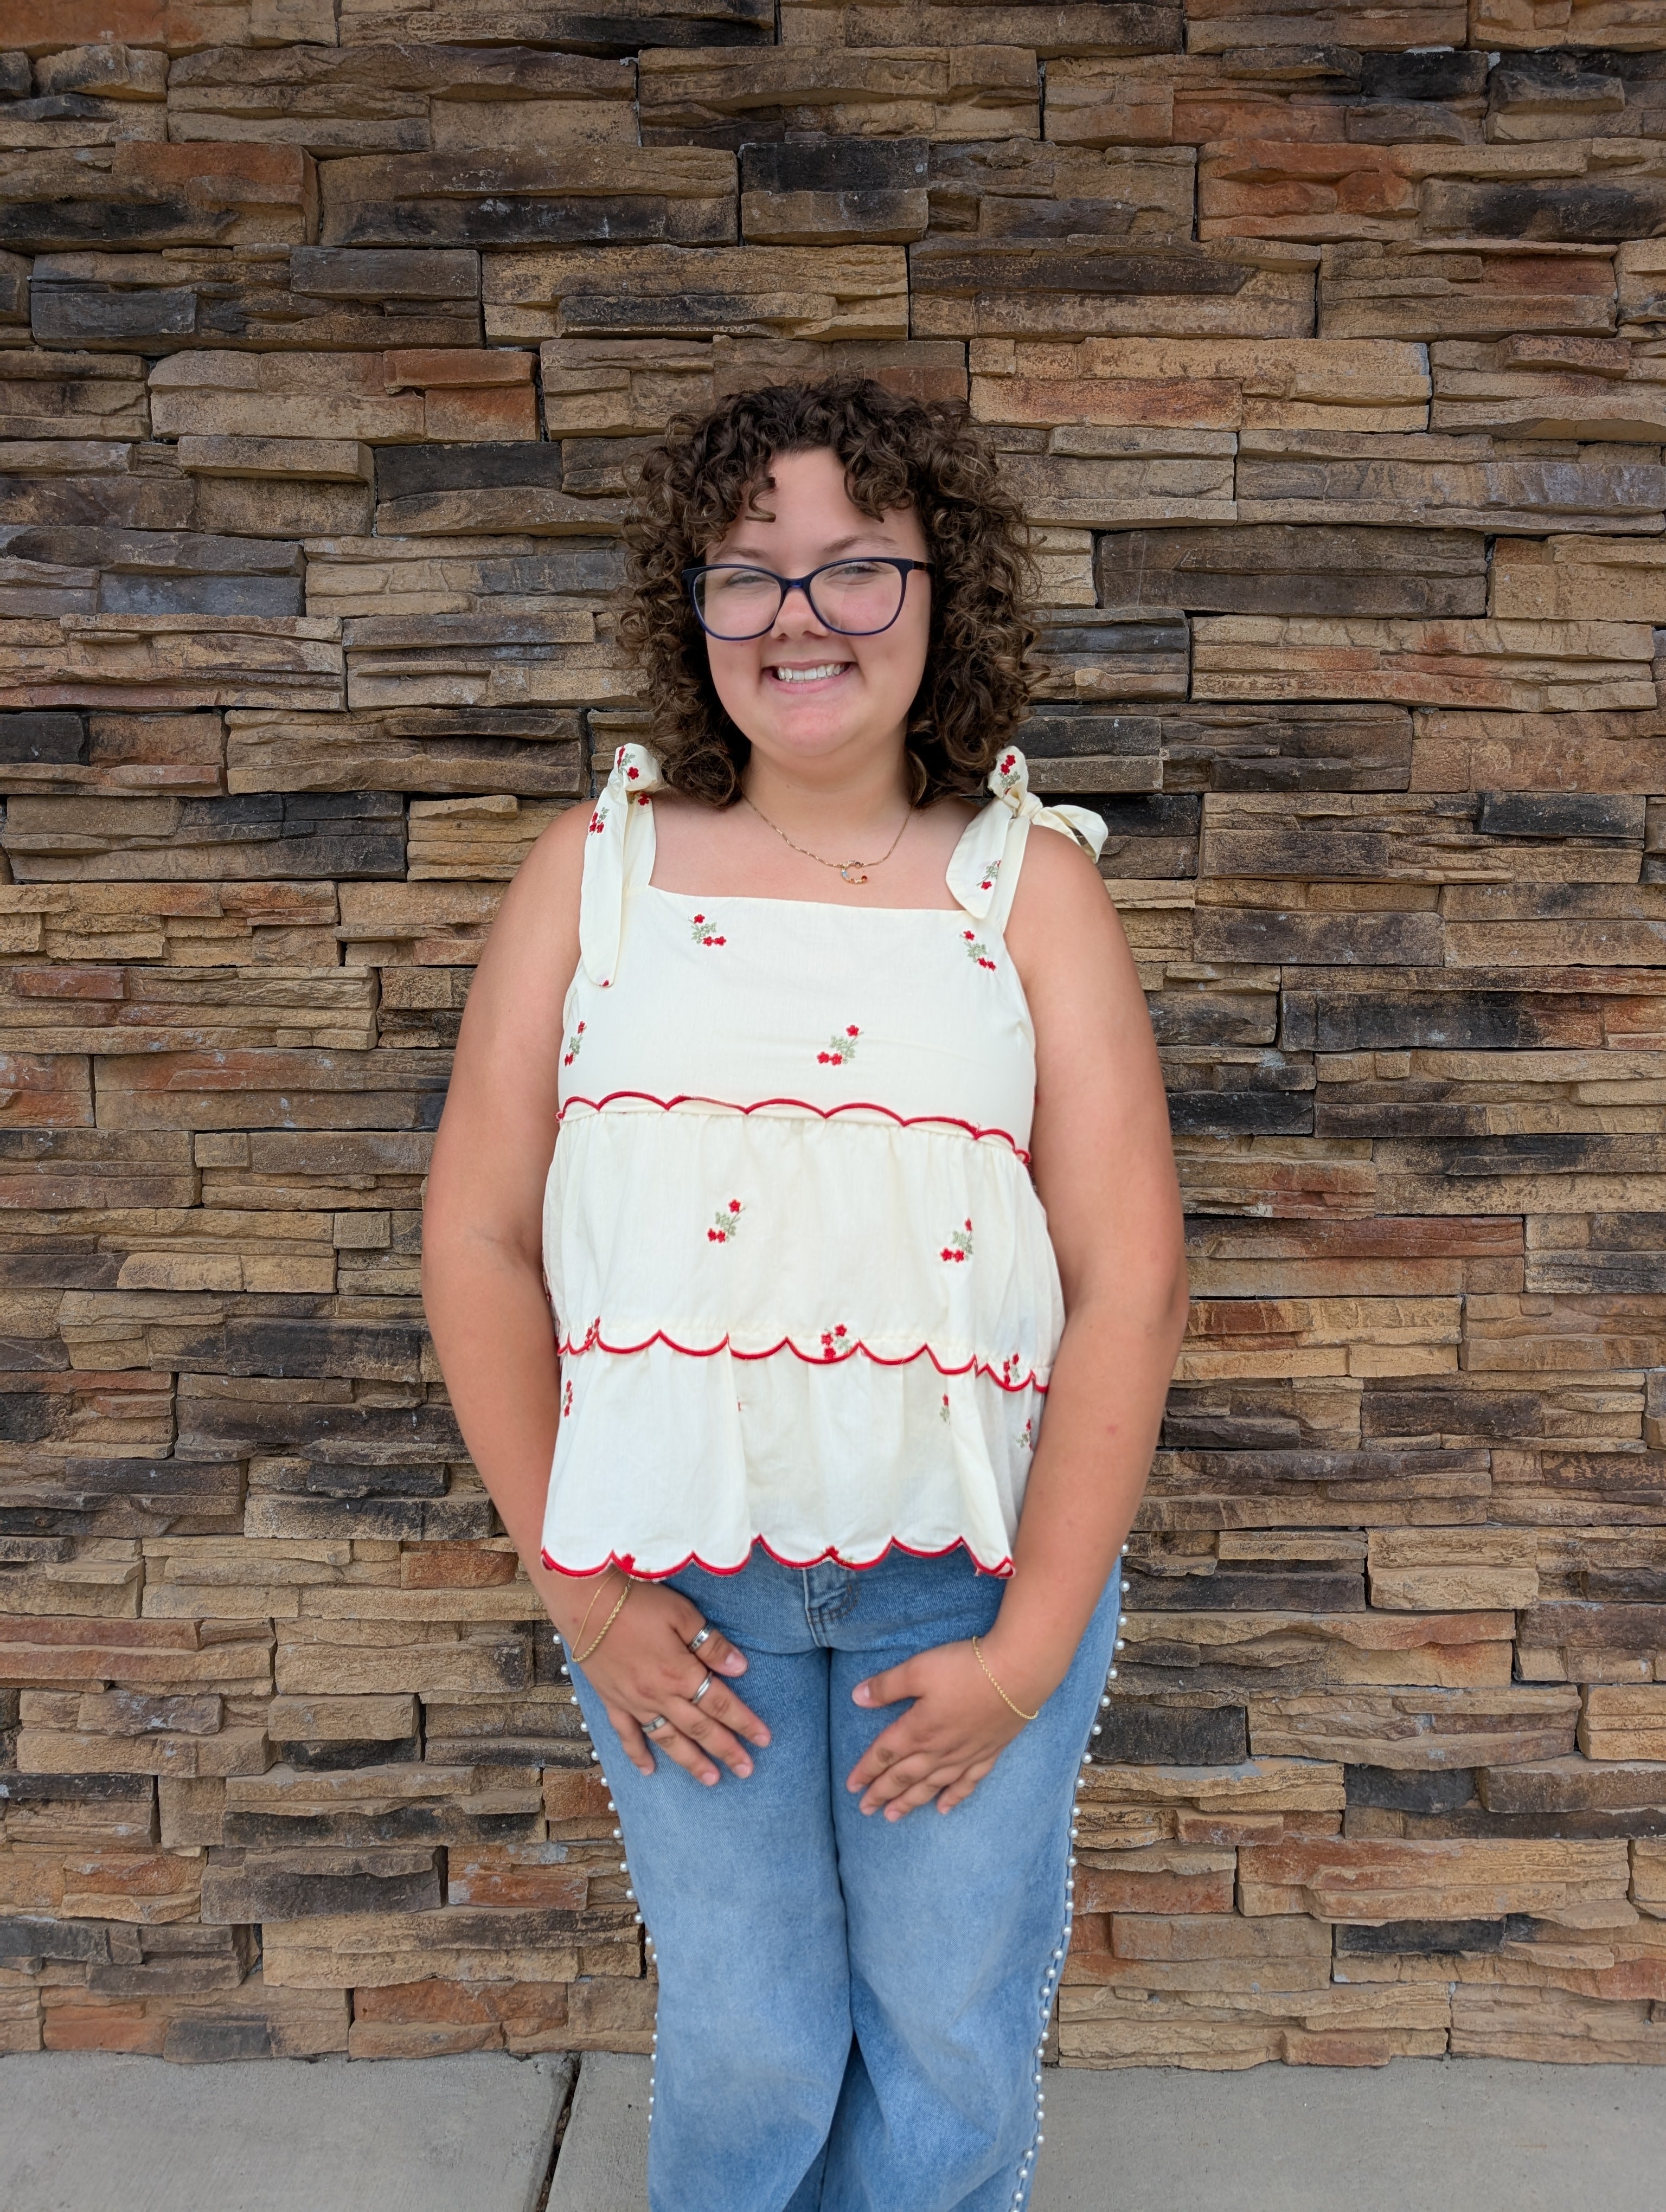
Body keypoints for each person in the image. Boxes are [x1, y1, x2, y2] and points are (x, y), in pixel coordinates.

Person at [421, 378, 1188, 2212]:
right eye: (749, 572)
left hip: (971, 1577)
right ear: (692, 612)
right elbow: (479, 1241)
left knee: (946, 2027)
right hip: (678, 1595)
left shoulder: (1028, 890)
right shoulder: (593, 877)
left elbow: (1132, 1278)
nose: (801, 616)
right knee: (754, 2032)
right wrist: (586, 1596)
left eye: (858, 567)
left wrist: (1025, 1656)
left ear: (942, 592)